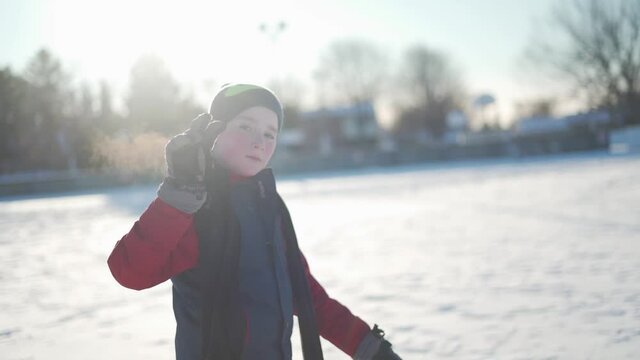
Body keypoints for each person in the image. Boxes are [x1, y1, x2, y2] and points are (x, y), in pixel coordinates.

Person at [107, 83, 402, 360]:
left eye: (269, 133)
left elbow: (308, 296)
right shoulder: (196, 208)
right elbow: (129, 271)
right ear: (214, 133)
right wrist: (178, 195)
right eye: (245, 126)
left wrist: (370, 349)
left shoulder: (269, 208)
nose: (258, 142)